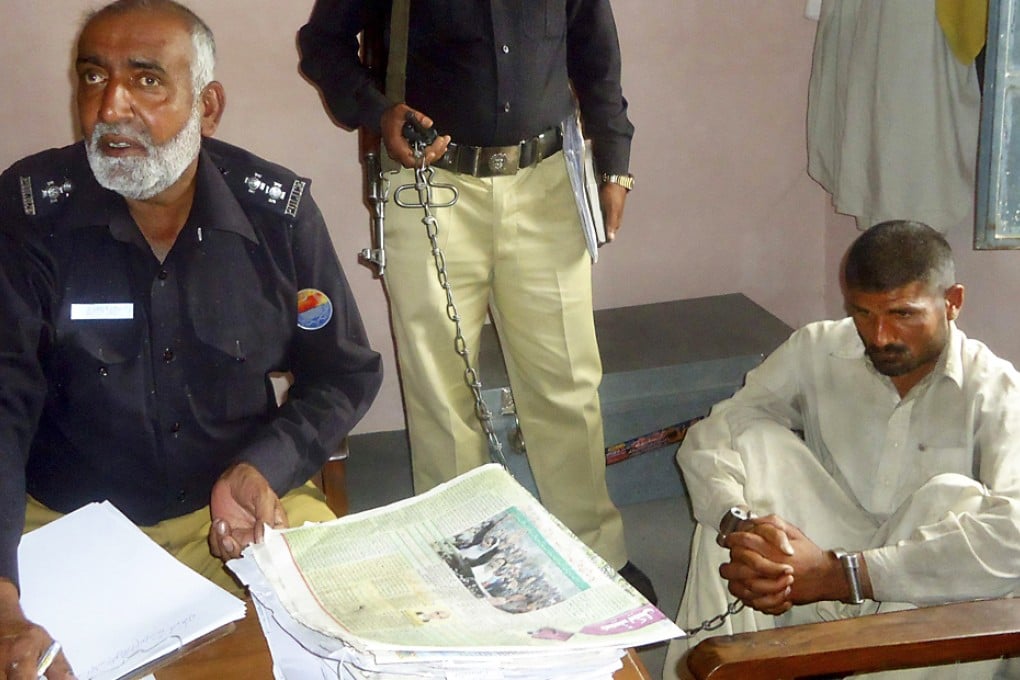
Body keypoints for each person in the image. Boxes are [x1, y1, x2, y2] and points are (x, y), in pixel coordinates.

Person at [0, 1, 383, 675]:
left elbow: (343, 373)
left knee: (351, 641)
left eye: (147, 80)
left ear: (208, 106)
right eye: (93, 78)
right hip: (63, 525)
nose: (111, 106)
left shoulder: (278, 217)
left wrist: (265, 464)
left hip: (236, 512)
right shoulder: (29, 213)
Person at [297, 0, 655, 603]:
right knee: (440, 391)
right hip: (426, 186)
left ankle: (594, 553)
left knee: (566, 382)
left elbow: (597, 57)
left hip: (545, 182)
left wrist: (614, 163)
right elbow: (322, 43)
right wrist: (378, 111)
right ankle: (464, 563)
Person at [663, 220, 1020, 679]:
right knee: (748, 448)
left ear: (952, 303)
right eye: (863, 314)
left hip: (912, 601)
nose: (880, 336)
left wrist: (843, 575)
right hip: (803, 576)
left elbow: (1014, 536)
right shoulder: (818, 348)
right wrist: (740, 525)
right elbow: (716, 433)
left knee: (955, 498)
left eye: (903, 314)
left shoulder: (996, 390)